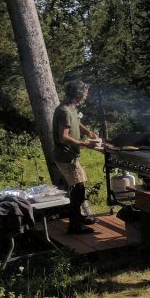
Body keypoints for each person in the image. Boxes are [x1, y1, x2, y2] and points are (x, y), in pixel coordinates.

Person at [52, 80, 99, 234]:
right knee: (78, 189)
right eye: (85, 91)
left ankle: (77, 218)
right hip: (66, 156)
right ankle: (74, 226)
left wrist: (88, 132)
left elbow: (76, 123)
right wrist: (84, 144)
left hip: (70, 156)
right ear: (78, 93)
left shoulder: (71, 108)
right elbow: (63, 137)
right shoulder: (64, 110)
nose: (87, 94)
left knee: (78, 188)